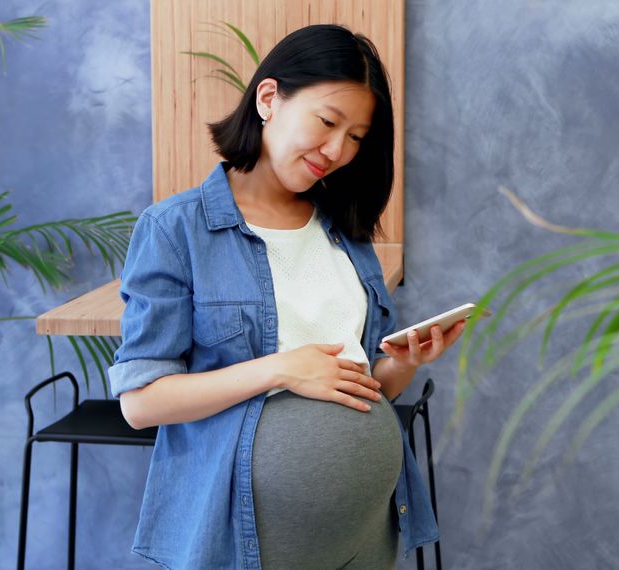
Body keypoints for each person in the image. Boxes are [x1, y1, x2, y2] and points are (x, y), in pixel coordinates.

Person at [108, 24, 463, 569]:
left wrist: (402, 363)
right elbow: (141, 402)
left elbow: (360, 388)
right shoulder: (176, 229)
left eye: (356, 137)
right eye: (327, 122)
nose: (337, 150)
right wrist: (280, 370)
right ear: (269, 98)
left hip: (367, 531)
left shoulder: (345, 230)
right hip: (249, 536)